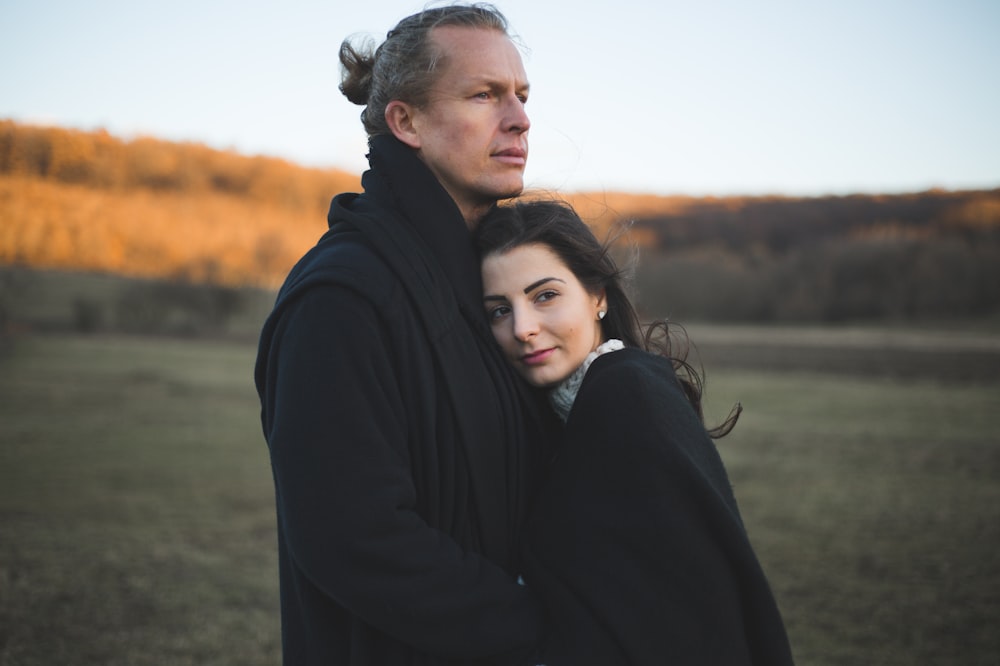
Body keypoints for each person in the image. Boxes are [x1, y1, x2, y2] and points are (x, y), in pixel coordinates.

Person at [254, 5, 554, 664]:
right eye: (485, 95)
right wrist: (544, 628)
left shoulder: (494, 286)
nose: (520, 119)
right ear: (405, 121)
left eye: (523, 96)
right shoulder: (342, 298)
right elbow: (355, 541)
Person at [476, 199, 795, 665]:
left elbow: (677, 616)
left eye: (544, 295)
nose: (523, 328)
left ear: (598, 296)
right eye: (499, 311)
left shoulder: (626, 396)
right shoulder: (582, 408)